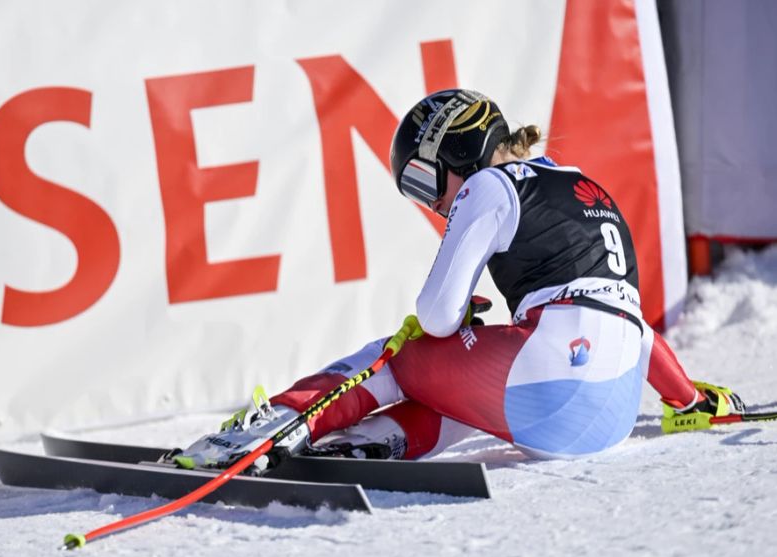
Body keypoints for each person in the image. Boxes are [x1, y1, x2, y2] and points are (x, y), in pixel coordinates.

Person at [172, 89, 743, 470]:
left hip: (548, 377)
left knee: (402, 355)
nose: (435, 204)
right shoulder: (579, 185)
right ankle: (364, 445)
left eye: (425, 182)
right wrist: (688, 399)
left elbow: (437, 313)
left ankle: (265, 430)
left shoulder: (489, 186)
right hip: (607, 415)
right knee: (459, 396)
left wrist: (452, 319)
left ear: (458, 154)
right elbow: (632, 324)